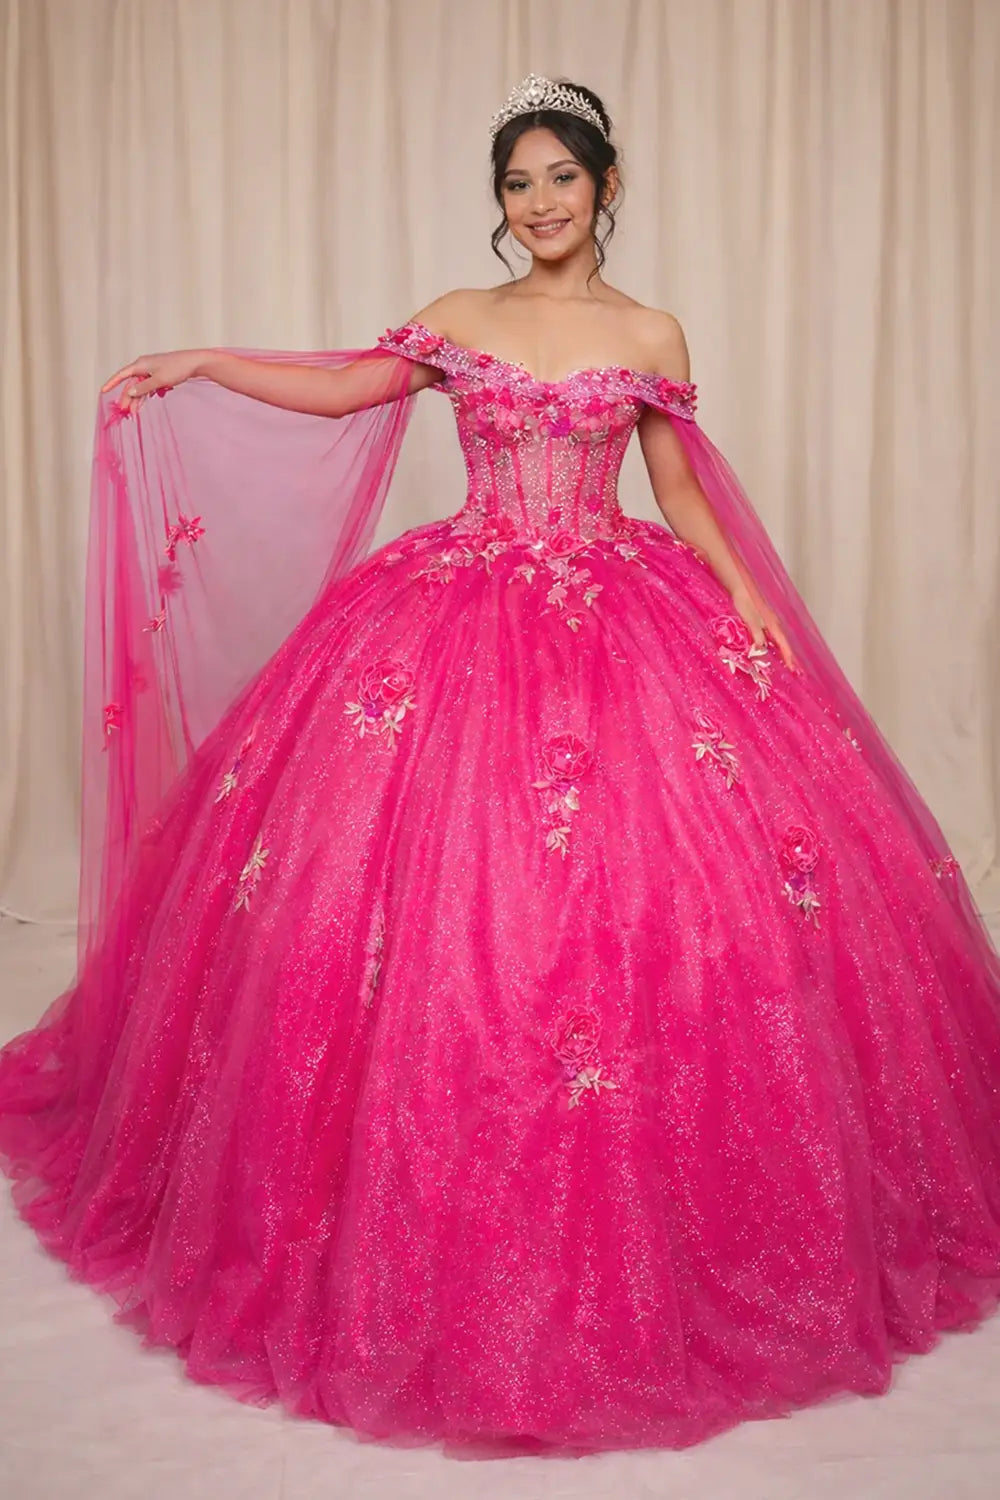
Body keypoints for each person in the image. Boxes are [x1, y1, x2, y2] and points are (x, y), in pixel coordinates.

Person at [2, 73, 1000, 1459]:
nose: (538, 203)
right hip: (457, 611)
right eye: (517, 183)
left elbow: (676, 482)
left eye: (560, 178)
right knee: (430, 893)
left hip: (622, 610)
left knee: (668, 884)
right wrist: (207, 361)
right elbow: (345, 389)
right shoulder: (461, 318)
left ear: (605, 186)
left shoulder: (648, 330)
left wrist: (746, 596)